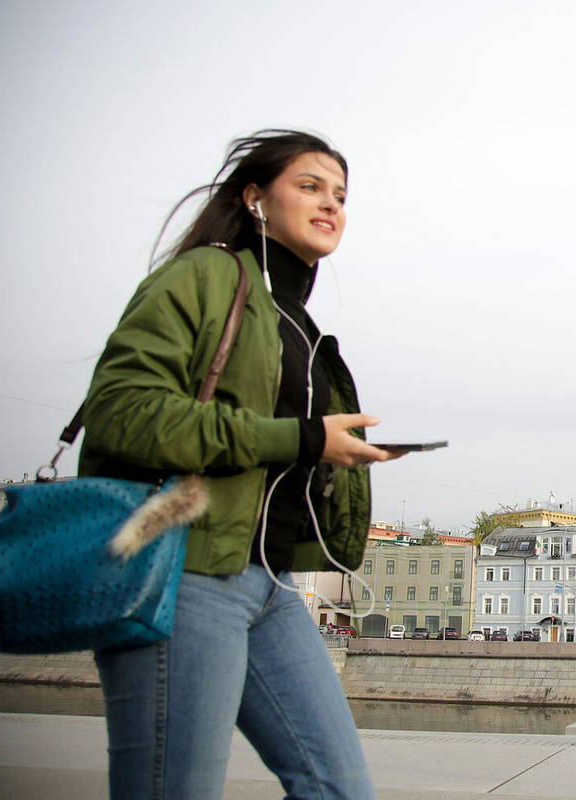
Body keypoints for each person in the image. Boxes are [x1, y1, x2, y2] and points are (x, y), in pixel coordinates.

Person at [80, 130, 403, 799]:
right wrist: (304, 440)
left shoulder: (294, 320)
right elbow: (121, 412)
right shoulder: (204, 276)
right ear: (255, 197)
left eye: (341, 195)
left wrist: (326, 457)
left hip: (269, 586)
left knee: (340, 790)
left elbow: (283, 447)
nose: (331, 205)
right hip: (185, 574)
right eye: (310, 186)